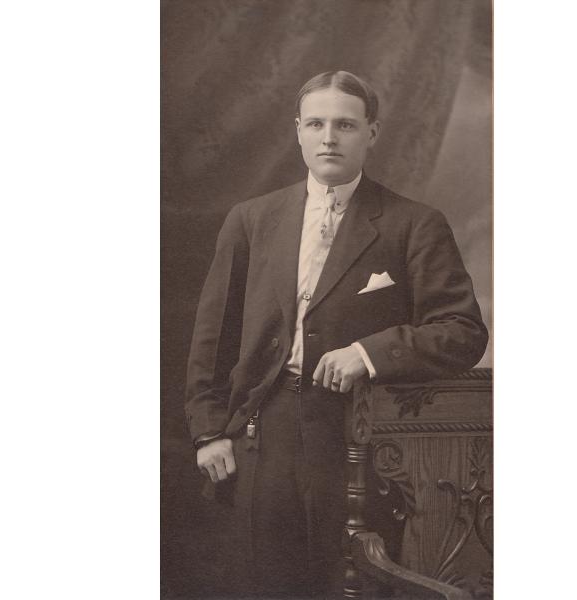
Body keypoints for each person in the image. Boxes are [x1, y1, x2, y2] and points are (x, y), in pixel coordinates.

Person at [185, 70, 488, 597]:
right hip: (263, 433)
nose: (329, 137)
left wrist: (369, 353)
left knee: (344, 580)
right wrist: (210, 431)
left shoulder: (413, 224)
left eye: (345, 124)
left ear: (371, 133)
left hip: (355, 437)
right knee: (265, 580)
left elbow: (461, 331)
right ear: (297, 131)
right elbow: (214, 337)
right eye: (317, 123)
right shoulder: (252, 219)